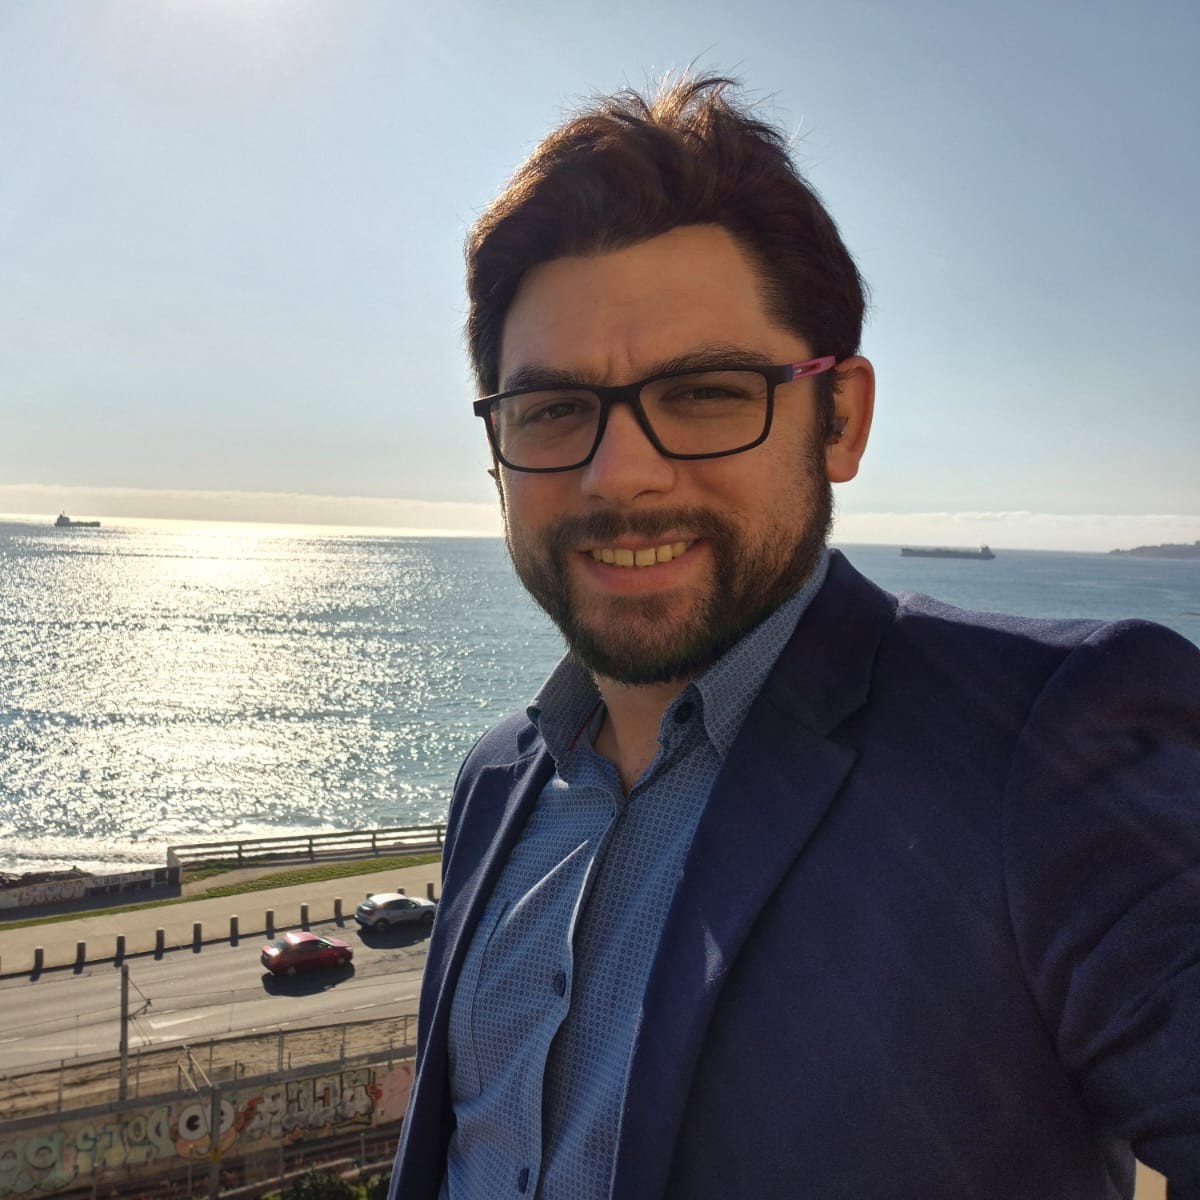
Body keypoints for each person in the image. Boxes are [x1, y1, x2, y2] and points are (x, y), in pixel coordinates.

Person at [389, 75, 1200, 1199]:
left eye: (706, 393)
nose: (619, 474)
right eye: (554, 410)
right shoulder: (497, 783)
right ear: (498, 454)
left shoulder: (1043, 745)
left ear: (840, 420)